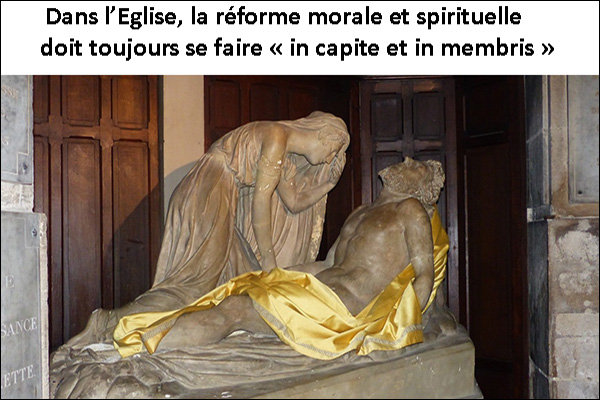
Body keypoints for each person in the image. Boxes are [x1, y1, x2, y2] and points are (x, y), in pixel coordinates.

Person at [112, 157, 449, 361]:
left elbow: (424, 274)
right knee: (235, 295)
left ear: (422, 189)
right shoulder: (362, 212)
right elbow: (328, 265)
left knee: (237, 310)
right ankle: (141, 338)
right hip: (319, 292)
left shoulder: (411, 210)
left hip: (341, 310)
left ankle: (136, 346)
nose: (407, 160)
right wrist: (275, 276)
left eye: (417, 167)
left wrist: (401, 333)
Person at [66, 111, 349, 346]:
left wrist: (328, 184)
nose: (328, 160)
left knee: (232, 284)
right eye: (333, 152)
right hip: (210, 192)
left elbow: (294, 201)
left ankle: (159, 334)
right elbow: (260, 204)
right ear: (326, 136)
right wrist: (270, 263)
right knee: (192, 286)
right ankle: (109, 324)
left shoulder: (282, 152)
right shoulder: (277, 137)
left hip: (218, 197)